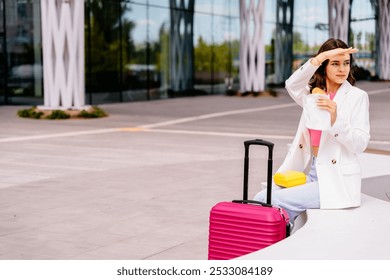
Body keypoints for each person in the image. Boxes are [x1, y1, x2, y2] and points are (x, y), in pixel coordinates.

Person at [254, 38, 370, 226]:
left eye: (346, 63)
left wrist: (335, 118)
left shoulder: (357, 97)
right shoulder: (312, 95)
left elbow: (360, 143)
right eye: (335, 63)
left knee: (267, 201)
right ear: (324, 66)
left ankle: (278, 240)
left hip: (337, 180)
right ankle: (283, 234)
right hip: (314, 173)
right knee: (261, 196)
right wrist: (321, 56)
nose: (342, 69)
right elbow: (291, 84)